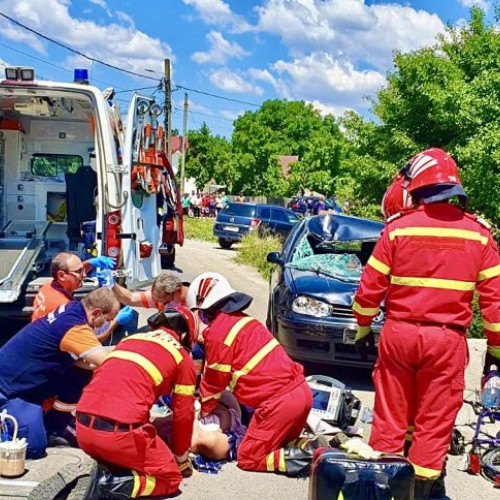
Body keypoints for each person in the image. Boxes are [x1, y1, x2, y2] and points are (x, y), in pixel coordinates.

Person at [353, 148, 500, 499]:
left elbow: (368, 290)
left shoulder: (397, 229)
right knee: (433, 425)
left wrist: (361, 326)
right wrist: (495, 349)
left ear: (417, 187)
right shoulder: (479, 235)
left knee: (390, 418)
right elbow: (495, 303)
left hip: (398, 335)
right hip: (446, 342)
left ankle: (385, 487)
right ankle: (421, 491)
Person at [186, 272, 324, 477]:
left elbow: (213, 384)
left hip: (278, 404)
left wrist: (202, 412)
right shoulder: (243, 322)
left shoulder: (218, 334)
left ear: (202, 307)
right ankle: (312, 450)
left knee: (248, 457)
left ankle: (301, 460)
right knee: (282, 443)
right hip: (301, 394)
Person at [76, 305, 199, 499]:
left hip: (82, 429)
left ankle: (106, 468)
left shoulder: (128, 340)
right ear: (184, 335)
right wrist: (181, 458)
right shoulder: (181, 357)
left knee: (140, 431)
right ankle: (115, 485)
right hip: (119, 435)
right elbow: (184, 414)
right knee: (169, 478)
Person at [0, 288, 120, 458]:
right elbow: (108, 361)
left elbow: (83, 360)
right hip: (12, 390)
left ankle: (55, 424)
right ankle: (8, 422)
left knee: (80, 374)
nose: (107, 324)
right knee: (33, 447)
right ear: (96, 313)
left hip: (27, 379)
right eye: (107, 320)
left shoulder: (72, 310)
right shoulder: (75, 327)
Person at [110, 271, 188, 311]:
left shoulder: (197, 300)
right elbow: (131, 298)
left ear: (178, 291)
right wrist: (112, 284)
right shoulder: (161, 297)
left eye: (166, 302)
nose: (164, 305)